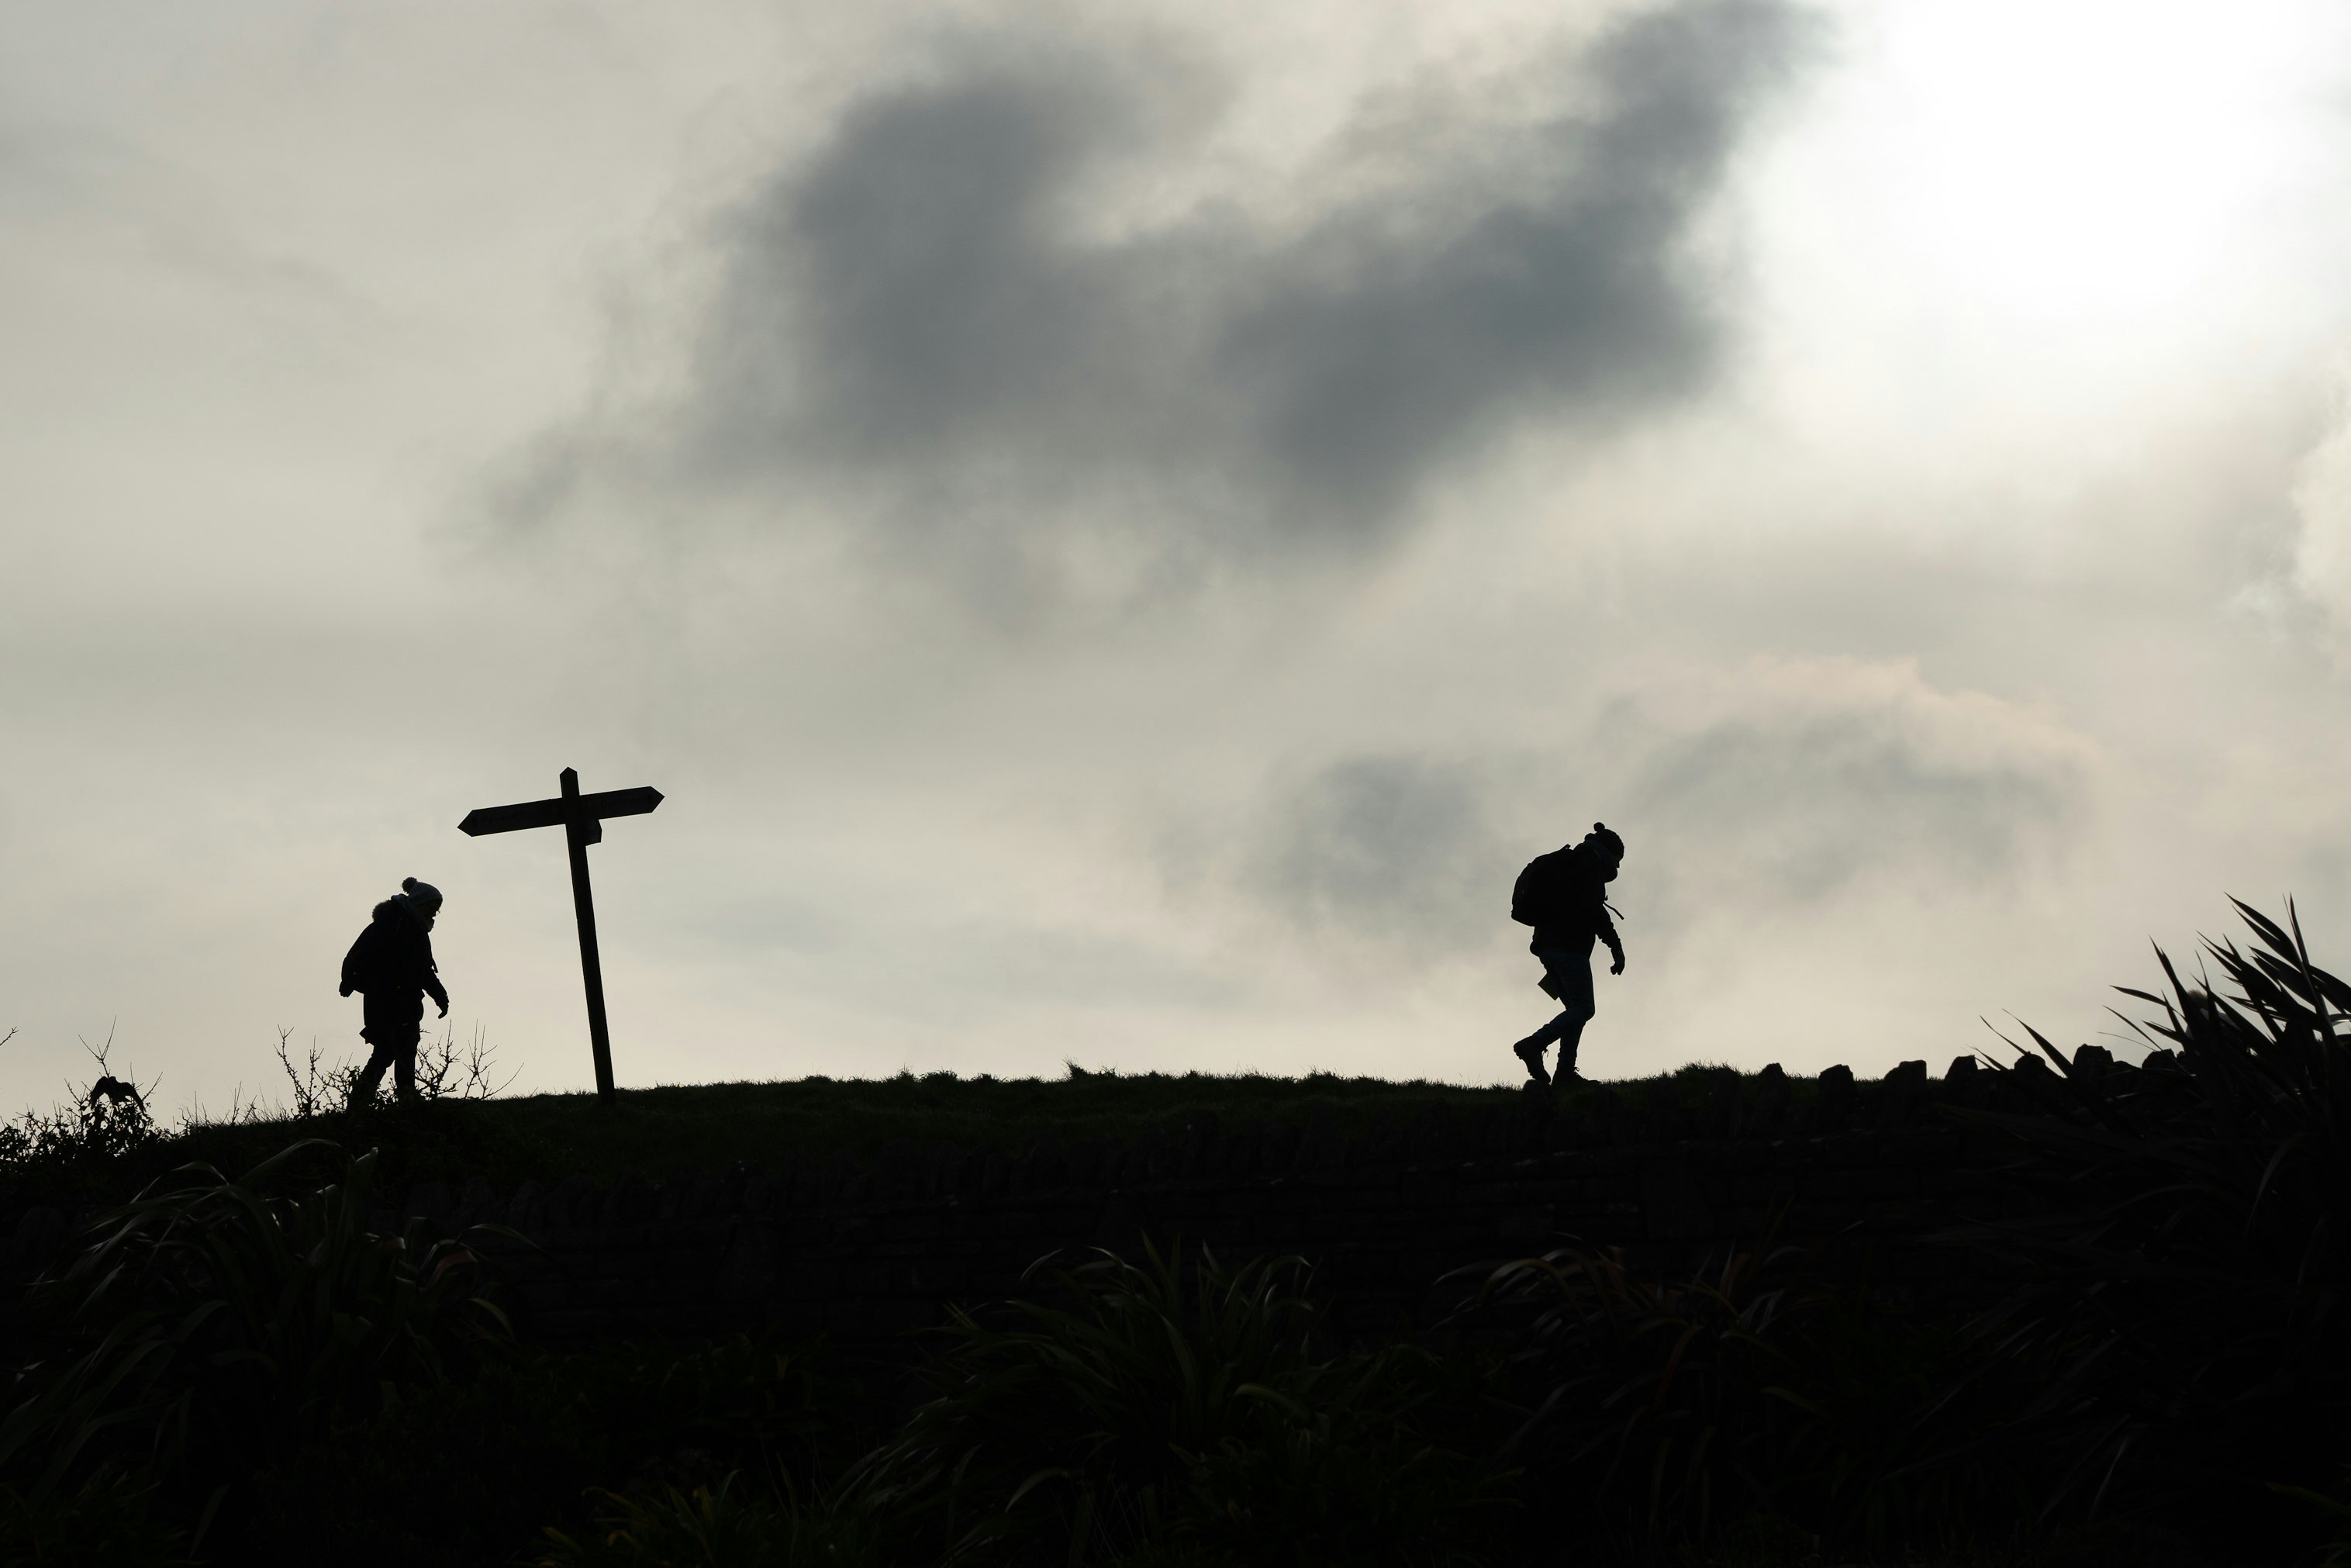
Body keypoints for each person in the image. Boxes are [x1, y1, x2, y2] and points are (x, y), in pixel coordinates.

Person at [1508, 824, 1624, 1086]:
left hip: (1548, 946)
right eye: (1618, 860)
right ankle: (1534, 1044)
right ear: (1611, 854)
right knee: (1584, 1008)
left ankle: (1565, 1073)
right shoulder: (1590, 864)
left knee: (1575, 1010)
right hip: (1568, 948)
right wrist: (1615, 946)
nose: (1618, 867)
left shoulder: (1573, 861)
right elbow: (1594, 909)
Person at [340, 877, 450, 1103]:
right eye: (432, 907)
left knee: (392, 1050)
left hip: (404, 1001)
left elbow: (424, 970)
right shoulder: (393, 924)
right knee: (398, 1048)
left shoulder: (417, 932)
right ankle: (402, 1098)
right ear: (419, 903)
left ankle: (364, 1100)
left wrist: (440, 996)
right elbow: (363, 950)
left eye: (437, 909)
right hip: (387, 1000)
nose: (434, 913)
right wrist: (349, 980)